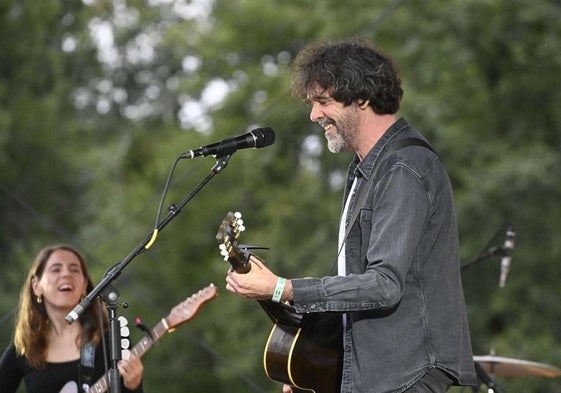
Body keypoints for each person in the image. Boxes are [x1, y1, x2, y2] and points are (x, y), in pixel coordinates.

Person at [225, 37, 477, 392]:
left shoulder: (403, 167)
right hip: (376, 373)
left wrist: (283, 288)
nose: (314, 115)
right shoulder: (364, 169)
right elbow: (357, 289)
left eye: (323, 101)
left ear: (362, 97)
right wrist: (311, 368)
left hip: (408, 372)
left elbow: (384, 284)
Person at [0, 244, 144, 393]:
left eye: (74, 269)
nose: (66, 274)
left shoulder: (110, 338)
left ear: (84, 286)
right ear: (36, 286)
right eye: (56, 269)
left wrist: (134, 385)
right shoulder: (26, 345)